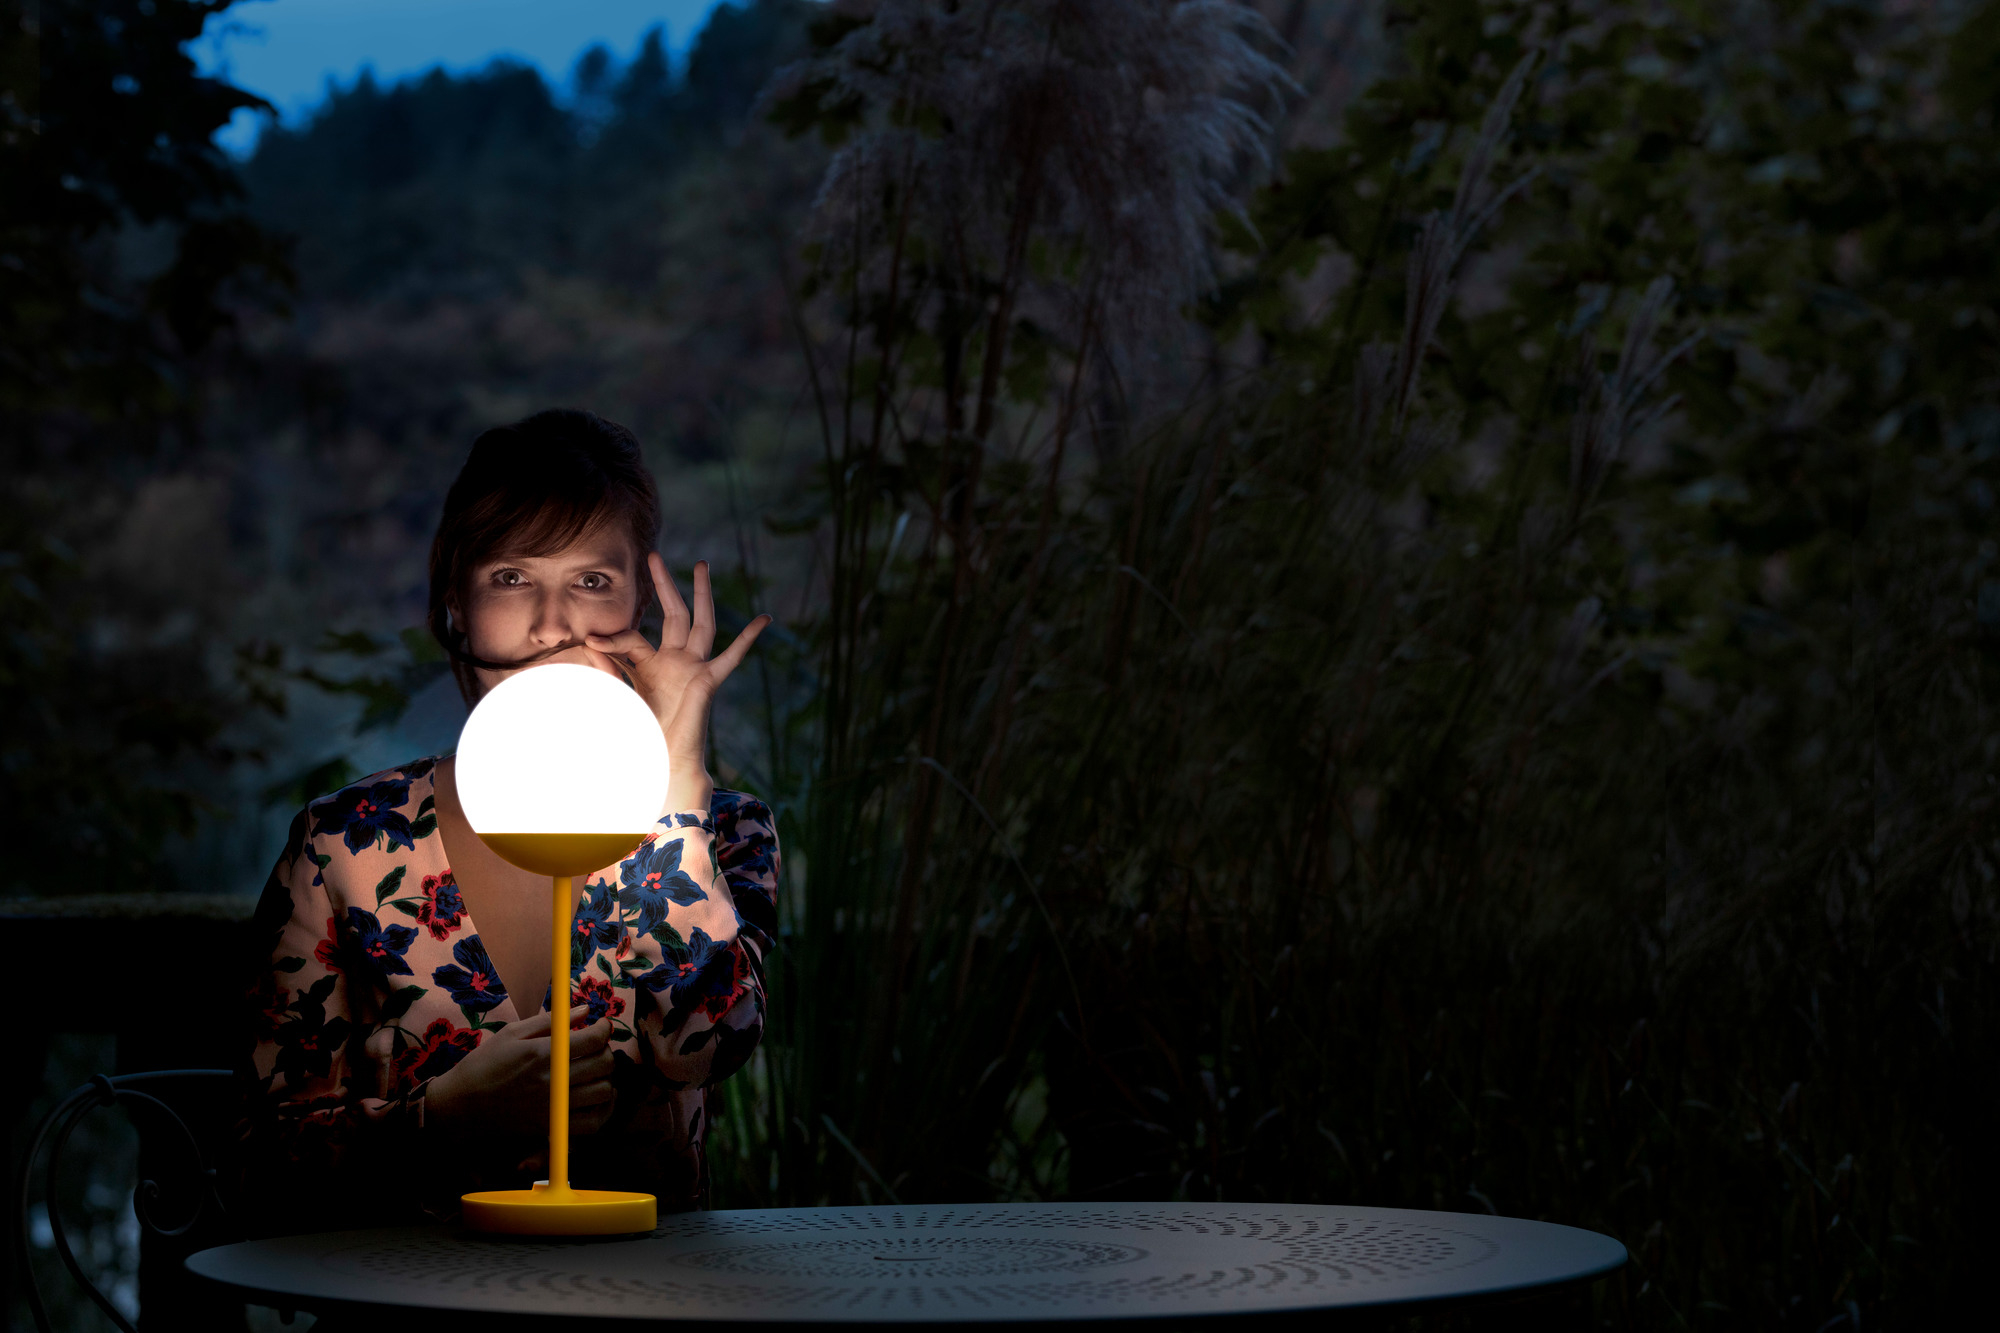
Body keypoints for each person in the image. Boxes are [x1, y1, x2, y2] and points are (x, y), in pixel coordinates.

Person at [233, 410, 777, 1232]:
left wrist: (675, 778)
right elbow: (259, 1163)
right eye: (513, 577)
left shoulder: (719, 830)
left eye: (592, 582)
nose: (552, 623)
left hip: (650, 1309)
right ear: (456, 598)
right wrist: (442, 1119)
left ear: (641, 600)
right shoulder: (345, 843)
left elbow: (705, 1044)